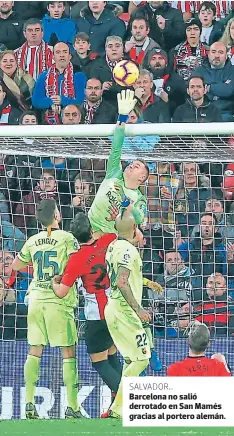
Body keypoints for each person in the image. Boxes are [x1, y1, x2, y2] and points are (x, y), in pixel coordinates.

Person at [12, 199, 83, 419]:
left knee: (34, 351)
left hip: (35, 300)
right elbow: (75, 264)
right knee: (68, 353)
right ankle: (72, 407)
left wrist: (37, 271)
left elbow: (16, 265)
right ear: (57, 216)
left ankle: (29, 403)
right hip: (58, 302)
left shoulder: (32, 240)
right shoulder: (67, 238)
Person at [52, 212, 123, 405]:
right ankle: (118, 404)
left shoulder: (76, 258)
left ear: (74, 238)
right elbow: (116, 232)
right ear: (92, 230)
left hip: (97, 315)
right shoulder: (109, 240)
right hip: (117, 307)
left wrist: (54, 282)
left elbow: (61, 292)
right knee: (111, 353)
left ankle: (128, 397)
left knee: (99, 361)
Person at [104, 209, 151, 418]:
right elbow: (122, 282)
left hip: (112, 307)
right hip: (124, 311)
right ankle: (117, 408)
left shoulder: (113, 246)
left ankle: (119, 408)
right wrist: (138, 309)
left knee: (133, 360)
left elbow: (124, 278)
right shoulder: (129, 251)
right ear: (134, 228)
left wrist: (148, 282)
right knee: (142, 360)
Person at [88, 89, 149, 242]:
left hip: (112, 241)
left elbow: (140, 218)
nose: (131, 166)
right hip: (89, 232)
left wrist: (127, 204)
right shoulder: (114, 173)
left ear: (142, 177)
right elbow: (116, 147)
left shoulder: (139, 199)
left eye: (137, 166)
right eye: (132, 163)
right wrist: (122, 117)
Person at [32, 42, 87, 125]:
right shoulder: (43, 77)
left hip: (74, 122)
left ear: (70, 56)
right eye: (58, 52)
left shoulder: (79, 75)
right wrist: (51, 102)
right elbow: (36, 101)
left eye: (65, 52)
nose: (62, 55)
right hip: (48, 124)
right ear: (53, 57)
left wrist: (63, 100)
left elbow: (82, 100)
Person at [167, 322, 231, 376]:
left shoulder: (174, 369)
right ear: (208, 344)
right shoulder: (218, 366)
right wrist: (224, 364)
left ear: (188, 341)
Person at [193, 41, 234, 121]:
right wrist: (222, 85)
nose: (217, 56)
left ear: (226, 56)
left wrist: (209, 87)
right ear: (208, 54)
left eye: (221, 52)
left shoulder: (232, 71)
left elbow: (228, 90)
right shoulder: (199, 71)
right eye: (214, 52)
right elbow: (195, 92)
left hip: (225, 113)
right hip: (203, 112)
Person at [143, 47, 186, 116]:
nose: (157, 61)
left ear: (166, 63)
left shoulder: (176, 80)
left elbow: (183, 106)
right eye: (153, 58)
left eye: (160, 58)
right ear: (148, 64)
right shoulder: (143, 80)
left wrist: (169, 101)